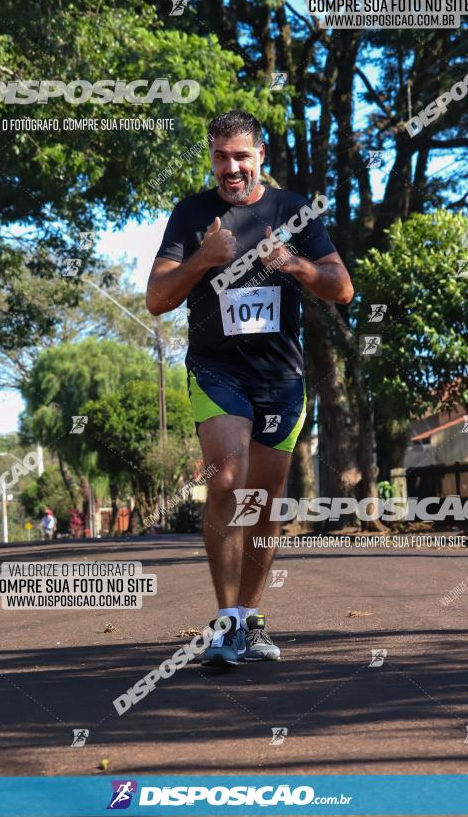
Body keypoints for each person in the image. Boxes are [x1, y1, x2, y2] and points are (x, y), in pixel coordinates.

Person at [146, 109, 353, 667]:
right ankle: (226, 622)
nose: (230, 167)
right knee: (227, 478)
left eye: (241, 156)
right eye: (220, 156)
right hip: (217, 370)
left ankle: (252, 618)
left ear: (261, 155)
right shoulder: (191, 215)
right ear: (211, 158)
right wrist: (204, 260)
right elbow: (157, 298)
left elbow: (342, 287)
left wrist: (293, 263)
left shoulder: (292, 210)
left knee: (263, 500)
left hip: (279, 376)